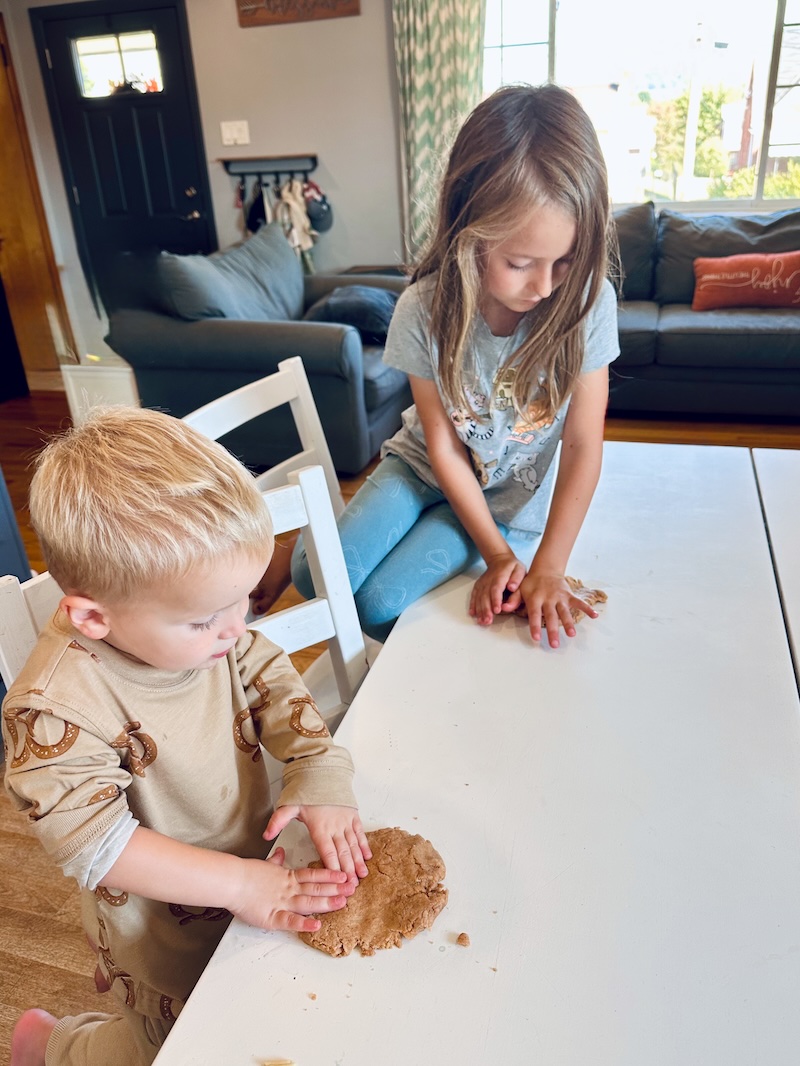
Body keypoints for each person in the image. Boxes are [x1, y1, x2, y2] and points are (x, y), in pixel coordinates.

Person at [3, 407, 371, 1066]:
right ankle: (54, 1046)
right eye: (206, 620)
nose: (237, 629)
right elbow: (100, 847)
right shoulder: (52, 710)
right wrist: (240, 887)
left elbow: (265, 673)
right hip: (158, 930)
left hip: (250, 867)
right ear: (93, 618)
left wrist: (317, 766)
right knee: (159, 1047)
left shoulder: (211, 631)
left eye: (245, 599)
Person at [292, 83, 620, 646]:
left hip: (503, 498)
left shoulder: (590, 303)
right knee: (312, 577)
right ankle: (300, 548)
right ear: (469, 231)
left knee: (375, 604)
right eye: (520, 263)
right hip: (422, 466)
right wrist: (496, 556)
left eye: (565, 262)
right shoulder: (423, 308)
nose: (544, 287)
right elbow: (442, 447)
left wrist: (545, 565)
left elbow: (584, 444)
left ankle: (382, 534)